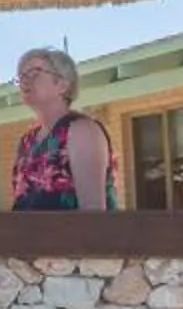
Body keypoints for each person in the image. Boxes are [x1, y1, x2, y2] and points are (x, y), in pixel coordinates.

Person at [9, 45, 116, 211]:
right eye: (21, 76)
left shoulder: (81, 131)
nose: (25, 81)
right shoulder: (27, 142)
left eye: (34, 73)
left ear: (62, 85)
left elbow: (93, 211)